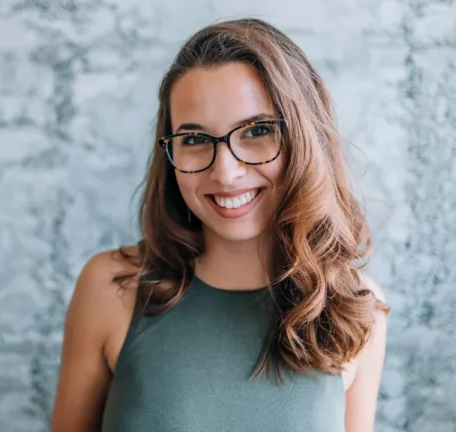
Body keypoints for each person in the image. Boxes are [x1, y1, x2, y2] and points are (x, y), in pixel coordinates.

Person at [51, 18, 389, 432]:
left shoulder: (356, 308)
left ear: (304, 139)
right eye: (194, 139)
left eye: (258, 131)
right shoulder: (110, 287)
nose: (226, 173)